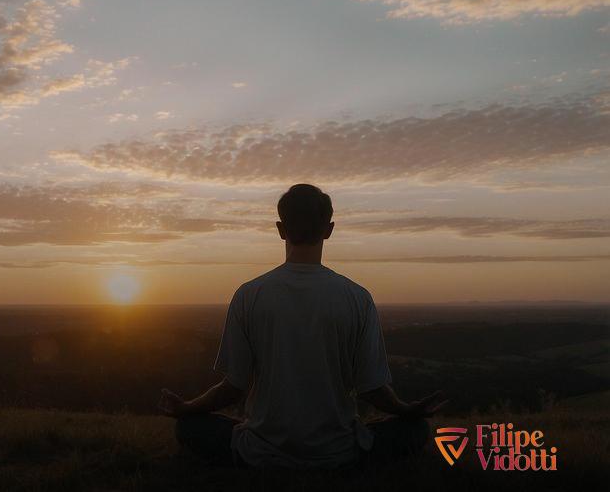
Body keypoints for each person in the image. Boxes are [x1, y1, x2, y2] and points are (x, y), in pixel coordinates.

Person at [158, 183, 447, 469]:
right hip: (339, 452)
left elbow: (234, 386)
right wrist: (407, 411)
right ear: (329, 229)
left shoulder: (249, 295)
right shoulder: (357, 297)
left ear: (281, 229)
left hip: (259, 452)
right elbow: (371, 388)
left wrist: (187, 408)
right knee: (416, 430)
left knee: (189, 428)